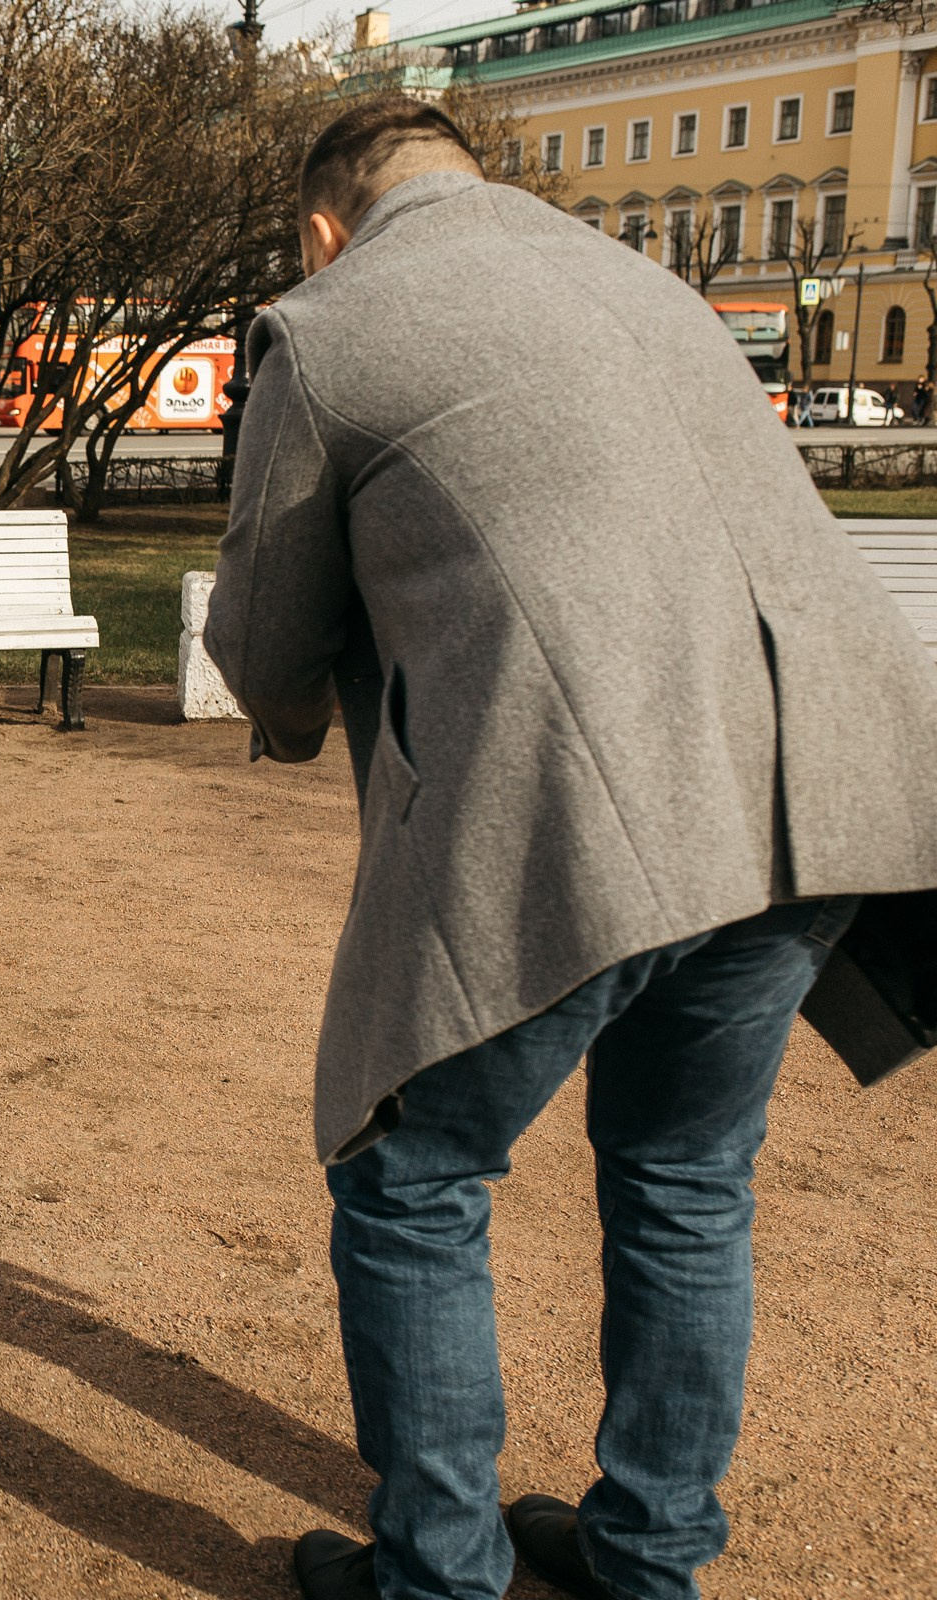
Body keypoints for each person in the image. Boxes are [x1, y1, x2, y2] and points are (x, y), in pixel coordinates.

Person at [204, 97, 937, 1600]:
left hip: (590, 796)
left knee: (410, 1175)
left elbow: (267, 640)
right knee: (686, 1180)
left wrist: (292, 719)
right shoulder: (642, 280)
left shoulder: (329, 320)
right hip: (821, 796)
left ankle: (439, 1576)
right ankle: (647, 1555)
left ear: (323, 225)